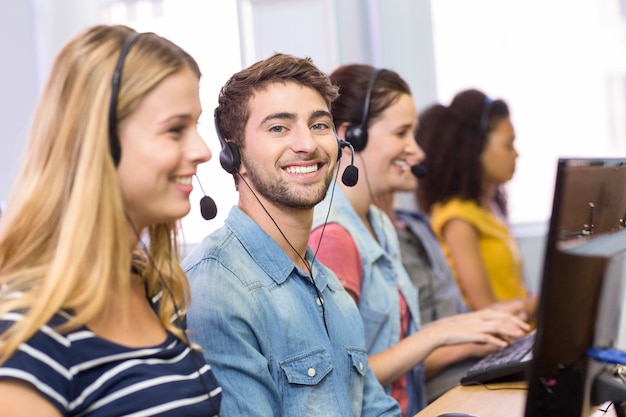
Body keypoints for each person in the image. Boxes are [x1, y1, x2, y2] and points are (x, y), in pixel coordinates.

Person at [0, 25, 222, 416]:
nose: (203, 151)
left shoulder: (152, 288)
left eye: (197, 127)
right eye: (175, 130)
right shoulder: (28, 332)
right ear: (101, 141)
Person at [182, 53, 401, 416]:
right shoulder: (219, 289)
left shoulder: (328, 287)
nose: (308, 145)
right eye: (279, 128)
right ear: (233, 155)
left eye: (318, 125)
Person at [309, 64, 530, 415]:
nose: (417, 150)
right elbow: (342, 376)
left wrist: (461, 327)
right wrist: (437, 335)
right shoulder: (334, 236)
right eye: (402, 133)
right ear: (352, 136)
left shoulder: (379, 225)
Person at [415, 89, 537, 318]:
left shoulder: (491, 209)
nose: (516, 154)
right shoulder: (458, 219)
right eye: (508, 145)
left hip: (520, 338)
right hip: (501, 347)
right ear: (476, 149)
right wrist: (535, 305)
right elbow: (486, 309)